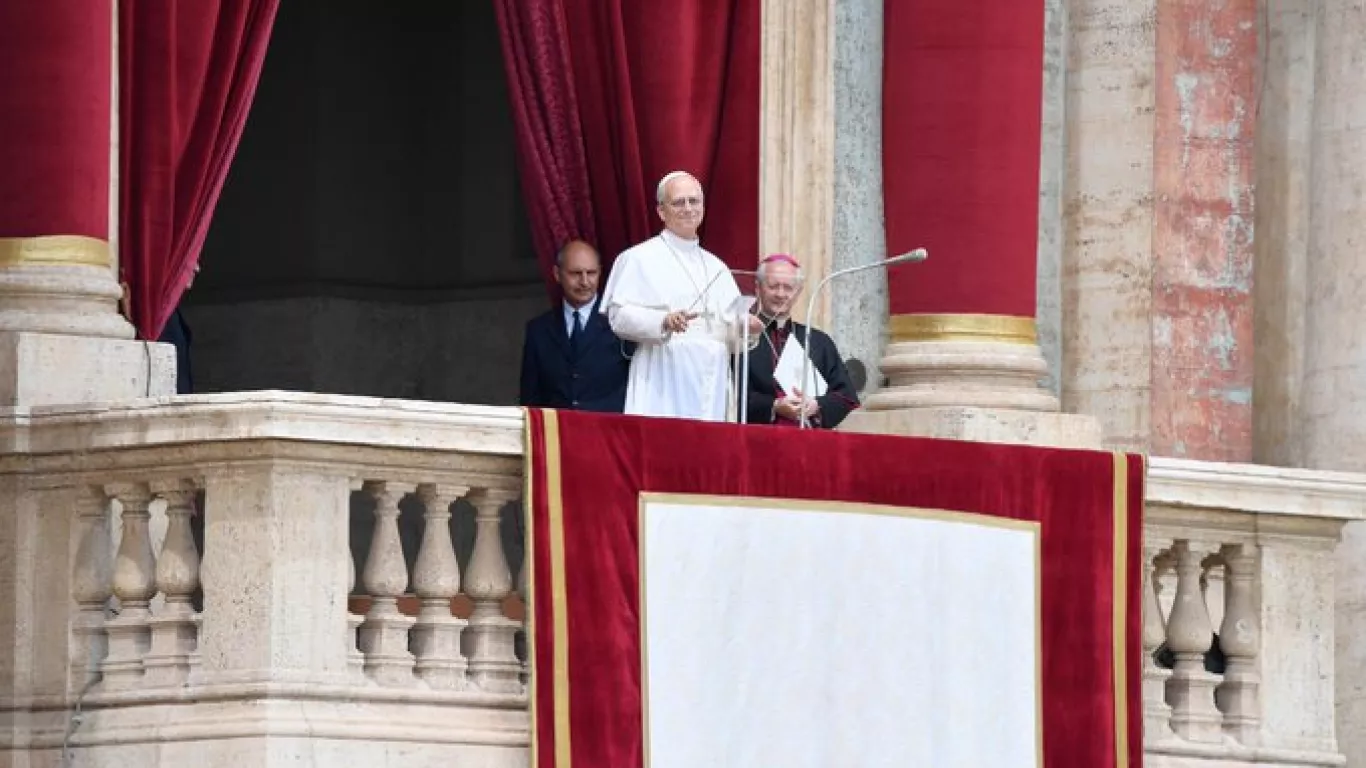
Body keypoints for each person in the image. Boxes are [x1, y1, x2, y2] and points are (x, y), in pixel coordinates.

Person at [599, 171, 763, 421]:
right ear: (661, 211)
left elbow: (730, 334)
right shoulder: (638, 258)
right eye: (678, 202)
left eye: (694, 201)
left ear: (703, 207)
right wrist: (663, 321)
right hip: (663, 375)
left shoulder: (717, 267)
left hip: (712, 379)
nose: (688, 209)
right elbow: (618, 316)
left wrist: (744, 329)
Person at [742, 253, 860, 428]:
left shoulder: (818, 341)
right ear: (758, 288)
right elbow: (730, 394)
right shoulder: (740, 337)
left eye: (788, 288)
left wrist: (816, 405)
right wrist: (773, 406)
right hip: (756, 438)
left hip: (808, 439)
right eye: (773, 286)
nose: (780, 294)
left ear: (797, 292)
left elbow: (846, 396)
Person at [519, 240, 632, 412]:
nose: (584, 282)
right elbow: (530, 398)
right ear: (557, 274)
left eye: (591, 273)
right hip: (556, 427)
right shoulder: (538, 330)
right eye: (576, 273)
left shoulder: (619, 321)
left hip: (607, 426)